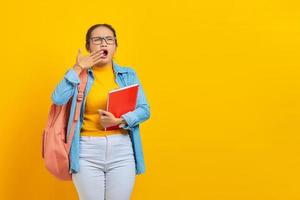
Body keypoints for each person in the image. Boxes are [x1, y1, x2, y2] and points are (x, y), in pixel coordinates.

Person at [51, 23, 150, 200]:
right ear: (89, 46)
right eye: (97, 40)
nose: (103, 43)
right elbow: (58, 98)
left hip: (122, 150)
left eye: (109, 40)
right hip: (86, 152)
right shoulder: (79, 75)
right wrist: (78, 67)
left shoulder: (128, 75)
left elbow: (144, 110)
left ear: (115, 46)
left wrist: (119, 121)